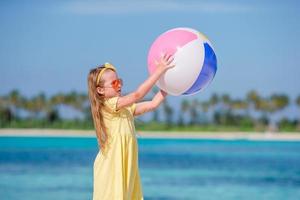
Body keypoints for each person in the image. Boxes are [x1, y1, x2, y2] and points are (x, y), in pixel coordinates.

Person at [87, 54, 174, 200]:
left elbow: (152, 104)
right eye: (114, 83)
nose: (119, 85)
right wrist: (158, 71)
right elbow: (137, 95)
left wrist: (170, 86)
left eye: (119, 81)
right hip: (112, 166)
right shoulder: (108, 105)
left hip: (127, 165)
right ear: (100, 90)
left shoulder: (125, 109)